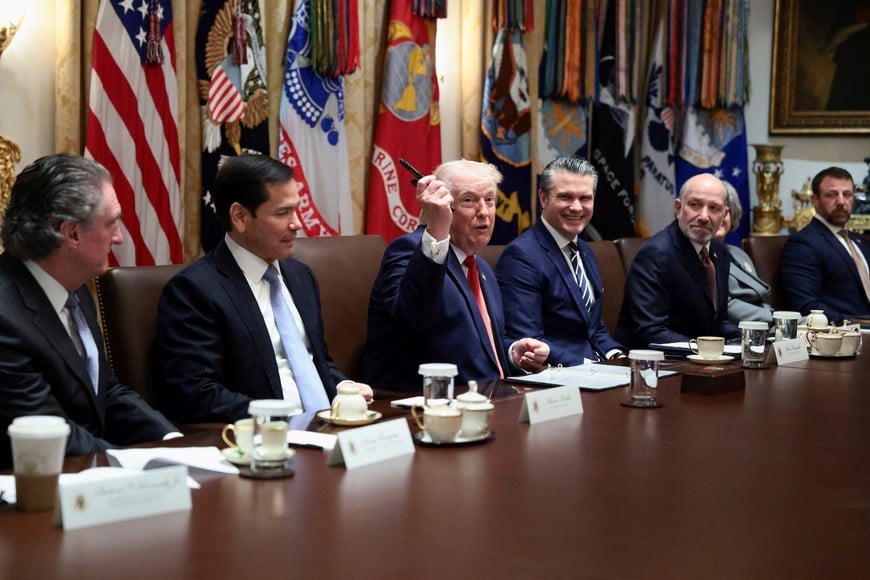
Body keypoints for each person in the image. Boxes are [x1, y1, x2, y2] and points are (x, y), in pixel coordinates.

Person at [156, 155, 372, 424]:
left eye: (296, 209)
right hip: (264, 440)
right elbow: (197, 393)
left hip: (329, 428)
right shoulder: (195, 290)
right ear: (240, 217)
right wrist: (282, 417)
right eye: (283, 213)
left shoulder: (301, 276)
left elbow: (312, 360)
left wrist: (343, 388)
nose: (297, 224)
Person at [0, 154, 177, 469]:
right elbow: (48, 432)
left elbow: (105, 392)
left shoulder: (77, 288)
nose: (120, 236)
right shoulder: (6, 315)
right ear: (71, 234)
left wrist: (173, 443)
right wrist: (135, 469)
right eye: (111, 223)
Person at [363, 159, 550, 391]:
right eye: (469, 200)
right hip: (431, 405)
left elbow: (480, 340)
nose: (484, 212)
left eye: (490, 200)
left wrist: (512, 353)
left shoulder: (482, 269)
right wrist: (437, 228)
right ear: (441, 206)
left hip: (494, 398)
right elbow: (415, 321)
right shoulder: (410, 251)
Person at [494, 156, 624, 365]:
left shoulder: (584, 249)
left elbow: (593, 327)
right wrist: (593, 366)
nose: (576, 207)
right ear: (543, 198)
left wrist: (616, 356)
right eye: (565, 197)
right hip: (560, 378)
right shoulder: (521, 257)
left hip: (599, 369)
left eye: (585, 198)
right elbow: (530, 343)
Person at [616, 173, 740, 348]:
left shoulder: (720, 252)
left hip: (703, 362)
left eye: (714, 208)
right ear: (678, 208)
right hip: (656, 364)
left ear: (724, 214)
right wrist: (705, 350)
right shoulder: (655, 254)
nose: (704, 216)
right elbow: (650, 331)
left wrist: (751, 338)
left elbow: (717, 322)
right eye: (695, 205)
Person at [779, 166, 870, 323]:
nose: (841, 201)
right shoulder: (803, 244)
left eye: (847, 194)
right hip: (844, 334)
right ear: (815, 200)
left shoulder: (860, 241)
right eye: (831, 195)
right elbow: (807, 305)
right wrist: (855, 324)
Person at [715, 182, 774, 325]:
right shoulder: (697, 255)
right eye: (714, 209)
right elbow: (725, 306)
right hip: (736, 329)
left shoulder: (740, 254)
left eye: (726, 210)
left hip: (762, 326)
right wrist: (776, 318)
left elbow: (760, 297)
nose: (719, 216)